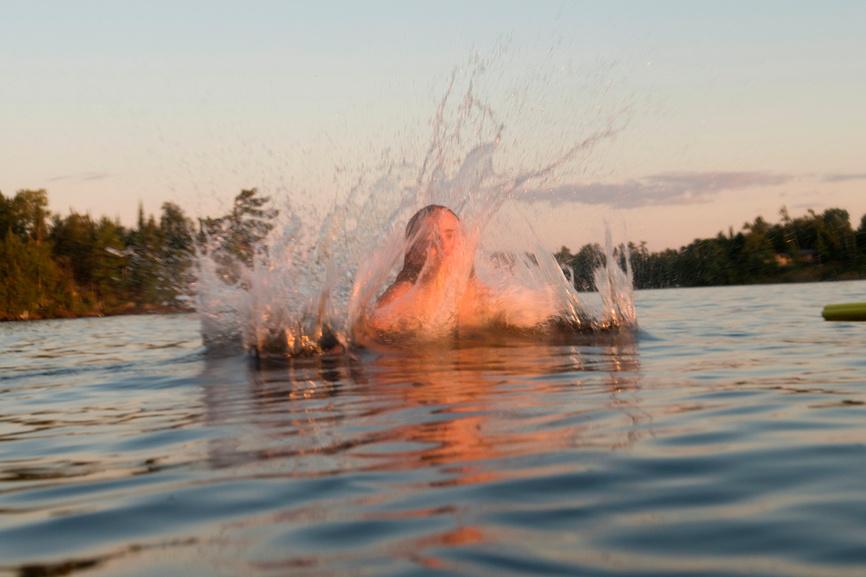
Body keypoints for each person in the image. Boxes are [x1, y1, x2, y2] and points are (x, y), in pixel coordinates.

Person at [365, 205, 489, 337]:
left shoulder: (476, 293)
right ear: (412, 254)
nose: (444, 246)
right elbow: (365, 332)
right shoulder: (402, 298)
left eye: (450, 236)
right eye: (432, 239)